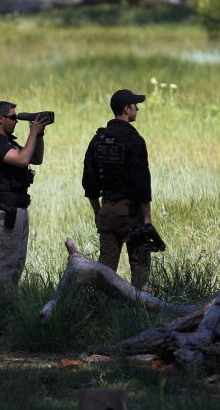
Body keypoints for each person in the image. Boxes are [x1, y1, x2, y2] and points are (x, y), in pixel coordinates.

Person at [82, 89, 155, 291]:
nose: (137, 109)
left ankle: (103, 312)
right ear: (126, 109)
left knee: (106, 269)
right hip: (132, 213)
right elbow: (142, 183)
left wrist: (98, 211)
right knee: (140, 267)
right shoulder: (134, 140)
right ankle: (142, 309)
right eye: (135, 106)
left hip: (107, 212)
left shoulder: (98, 140)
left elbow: (89, 181)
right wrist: (147, 219)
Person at [0, 101, 49, 292]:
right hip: (7, 209)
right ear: (0, 119)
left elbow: (35, 159)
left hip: (19, 207)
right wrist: (32, 132)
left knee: (17, 261)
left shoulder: (9, 143)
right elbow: (23, 159)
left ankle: (7, 303)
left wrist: (39, 134)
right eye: (13, 117)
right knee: (6, 260)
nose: (16, 121)